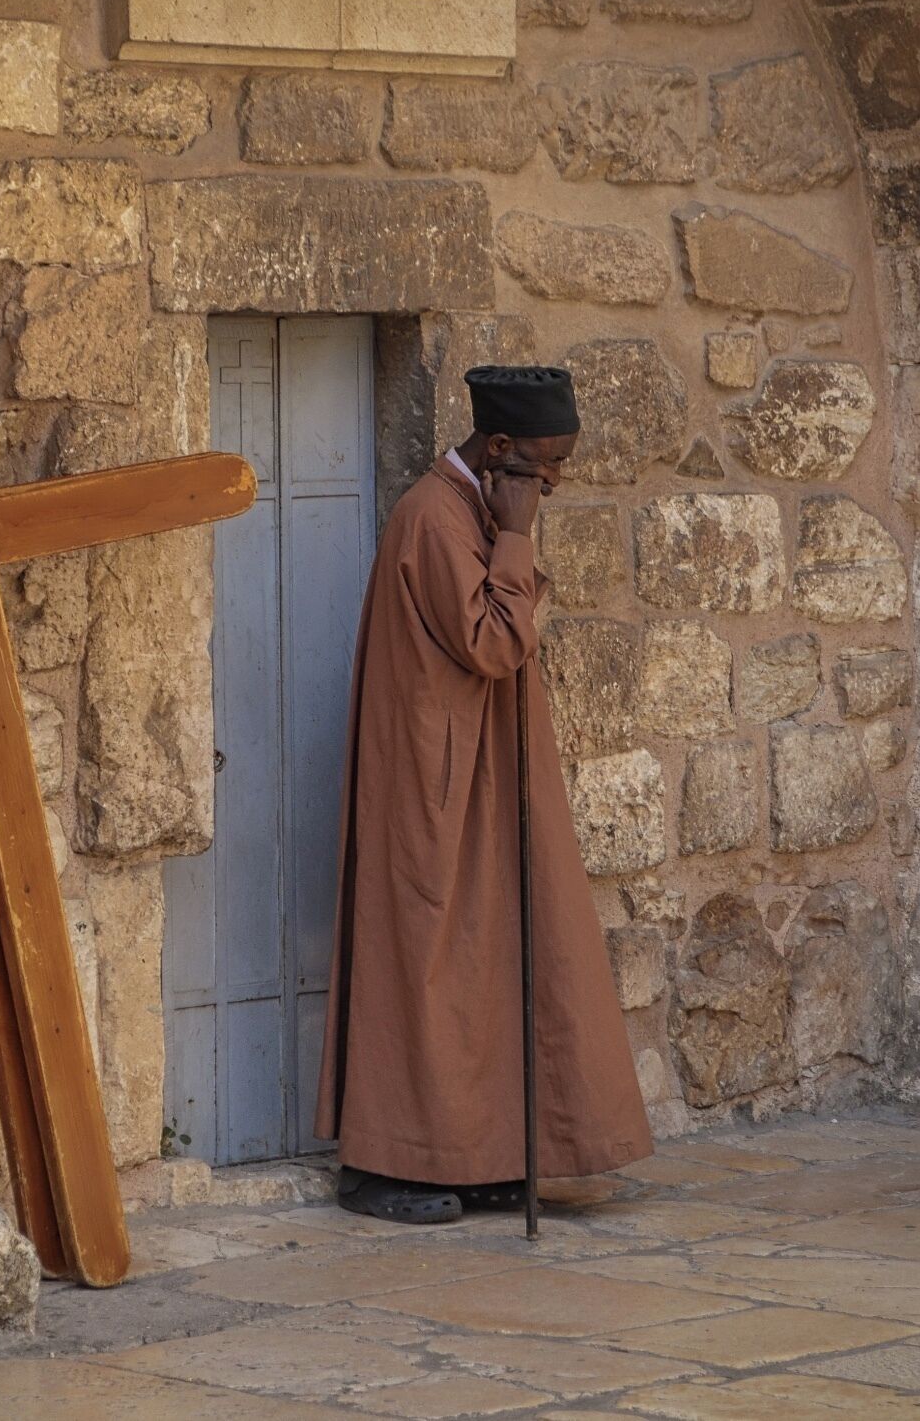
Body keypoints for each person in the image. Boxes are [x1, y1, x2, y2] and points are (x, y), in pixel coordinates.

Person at [314, 364, 654, 1223]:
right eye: (545, 465)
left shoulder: (475, 508)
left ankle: (486, 1151)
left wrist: (511, 529)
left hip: (486, 774)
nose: (555, 482)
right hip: (435, 784)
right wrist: (519, 537)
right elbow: (495, 643)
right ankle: (391, 1163)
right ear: (498, 450)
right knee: (427, 962)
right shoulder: (434, 518)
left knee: (497, 958)